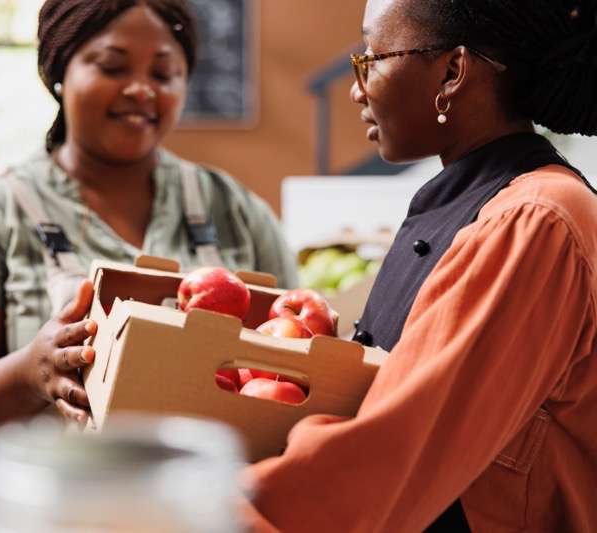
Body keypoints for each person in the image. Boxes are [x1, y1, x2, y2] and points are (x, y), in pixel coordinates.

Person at [0, 0, 297, 530]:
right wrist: (30, 373)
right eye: (113, 67)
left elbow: (294, 367)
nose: (141, 89)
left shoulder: (235, 211)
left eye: (164, 73)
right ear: (59, 71)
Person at [242, 0, 597, 531]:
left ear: (452, 72)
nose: (356, 86)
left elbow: (390, 454)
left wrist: (192, 500)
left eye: (373, 55)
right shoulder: (488, 202)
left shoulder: (533, 222)